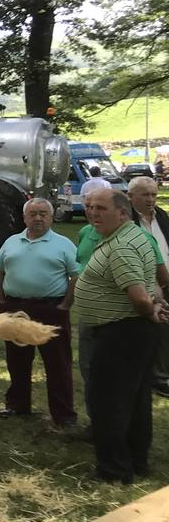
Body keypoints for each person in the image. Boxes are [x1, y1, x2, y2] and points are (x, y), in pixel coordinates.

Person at [75, 188, 169, 483]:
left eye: (101, 208)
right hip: (132, 332)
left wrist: (150, 309)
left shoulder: (121, 247)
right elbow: (150, 280)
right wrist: (155, 304)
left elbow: (139, 297)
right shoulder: (133, 236)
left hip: (120, 333)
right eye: (89, 206)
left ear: (122, 212)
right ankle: (136, 460)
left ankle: (113, 470)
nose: (92, 212)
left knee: (108, 402)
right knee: (135, 399)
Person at [0, 198, 79, 426]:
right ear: (24, 217)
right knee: (17, 360)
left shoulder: (63, 244)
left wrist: (65, 305)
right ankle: (17, 405)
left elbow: (76, 276)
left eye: (43, 214)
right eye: (33, 214)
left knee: (57, 363)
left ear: (51, 217)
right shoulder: (11, 241)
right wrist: (2, 300)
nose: (38, 218)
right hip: (16, 309)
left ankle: (63, 414)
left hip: (51, 309)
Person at [127, 176, 169, 398]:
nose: (151, 199)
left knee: (164, 328)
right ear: (130, 196)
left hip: (166, 280)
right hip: (140, 283)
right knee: (144, 329)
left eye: (154, 194)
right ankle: (147, 374)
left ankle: (161, 375)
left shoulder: (161, 216)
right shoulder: (125, 219)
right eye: (145, 194)